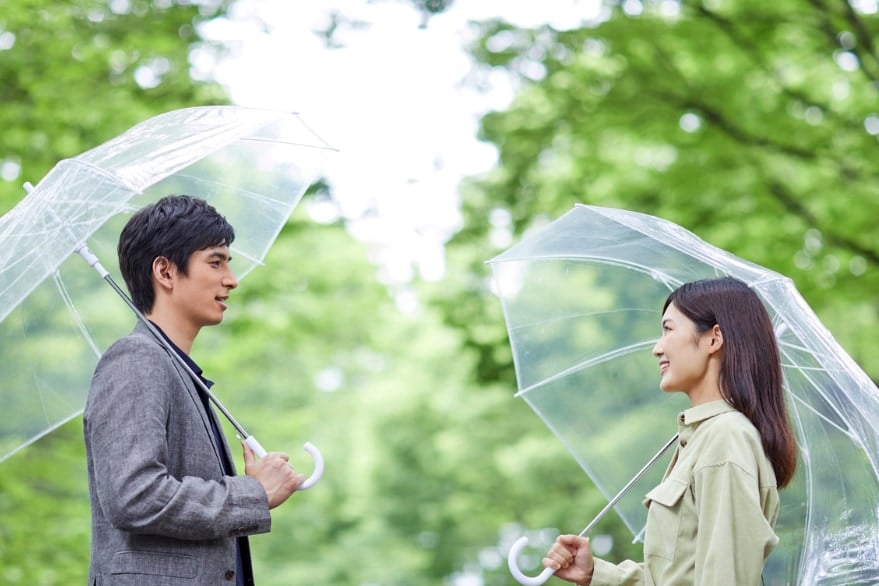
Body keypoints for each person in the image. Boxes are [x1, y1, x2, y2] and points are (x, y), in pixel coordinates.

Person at [83, 195, 306, 585]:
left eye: (229, 263)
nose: (231, 279)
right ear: (165, 272)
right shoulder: (136, 359)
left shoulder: (179, 370)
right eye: (215, 261)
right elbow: (133, 496)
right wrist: (251, 494)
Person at [542, 276, 798, 586]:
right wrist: (596, 573)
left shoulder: (726, 438)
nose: (657, 348)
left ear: (714, 339)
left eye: (668, 329)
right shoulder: (702, 438)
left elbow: (724, 578)